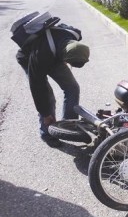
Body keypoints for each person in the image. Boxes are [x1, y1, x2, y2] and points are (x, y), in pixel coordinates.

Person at [11, 12, 90, 148]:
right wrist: (45, 113)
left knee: (72, 87)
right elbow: (37, 87)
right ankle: (46, 133)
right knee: (48, 96)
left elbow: (71, 47)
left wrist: (65, 60)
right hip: (30, 57)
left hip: (55, 55)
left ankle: (68, 124)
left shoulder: (73, 34)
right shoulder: (39, 56)